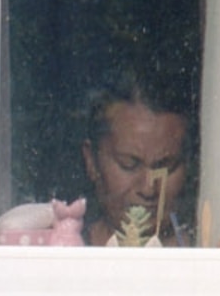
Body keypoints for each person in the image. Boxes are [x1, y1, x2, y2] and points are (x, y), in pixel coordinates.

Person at [79, 77, 192, 246]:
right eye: (129, 165)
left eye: (166, 167)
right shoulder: (61, 253)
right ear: (91, 161)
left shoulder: (207, 251)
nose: (148, 189)